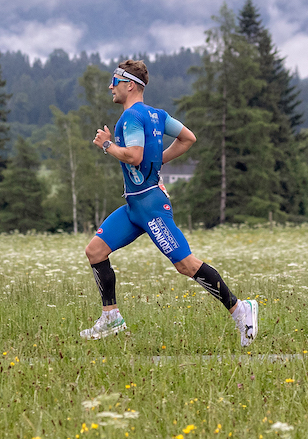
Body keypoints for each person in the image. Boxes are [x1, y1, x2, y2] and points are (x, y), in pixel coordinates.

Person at [79, 59, 259, 346]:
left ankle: (240, 309)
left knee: (186, 265)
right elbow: (188, 138)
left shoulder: (130, 118)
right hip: (134, 207)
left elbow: (135, 156)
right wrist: (158, 159)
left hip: (150, 207)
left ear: (129, 85)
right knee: (95, 251)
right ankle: (111, 316)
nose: (109, 86)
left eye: (114, 81)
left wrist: (107, 145)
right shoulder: (157, 115)